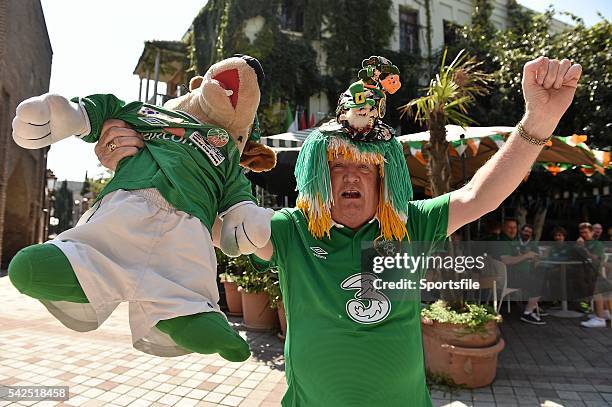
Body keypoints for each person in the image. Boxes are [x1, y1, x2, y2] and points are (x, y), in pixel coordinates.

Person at [98, 56, 581, 405]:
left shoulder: (410, 223)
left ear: (382, 177)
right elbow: (205, 225)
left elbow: (479, 197)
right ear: (317, 178)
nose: (350, 177)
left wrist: (537, 121)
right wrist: (140, 165)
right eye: (336, 166)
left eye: (364, 169)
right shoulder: (290, 230)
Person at [494, 219, 546, 324]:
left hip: (508, 276)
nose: (512, 230)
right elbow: (507, 260)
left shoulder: (509, 241)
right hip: (509, 279)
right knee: (539, 282)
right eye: (509, 227)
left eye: (514, 227)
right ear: (503, 228)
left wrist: (527, 257)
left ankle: (533, 306)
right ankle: (528, 313)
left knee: (538, 275)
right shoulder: (503, 242)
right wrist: (526, 255)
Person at [576, 223, 609, 328]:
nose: (583, 234)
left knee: (597, 293)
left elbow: (595, 258)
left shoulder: (597, 244)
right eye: (581, 232)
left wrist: (583, 249)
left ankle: (600, 319)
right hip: (588, 272)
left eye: (586, 232)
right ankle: (604, 313)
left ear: (591, 232)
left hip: (597, 272)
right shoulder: (584, 243)